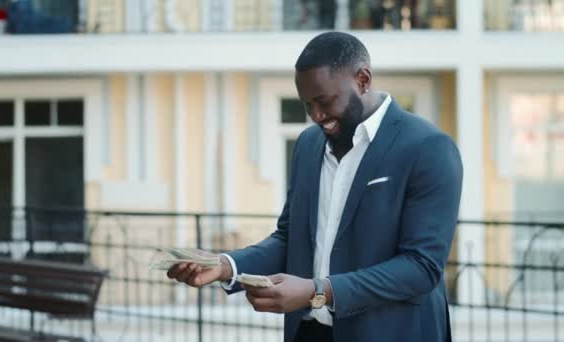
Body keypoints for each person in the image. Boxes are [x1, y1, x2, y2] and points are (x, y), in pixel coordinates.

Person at [168, 31, 463, 342]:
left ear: (363, 80)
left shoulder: (428, 147)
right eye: (308, 105)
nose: (317, 116)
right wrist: (226, 265)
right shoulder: (309, 144)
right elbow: (290, 238)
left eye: (324, 101)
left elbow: (421, 267)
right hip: (309, 333)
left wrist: (318, 291)